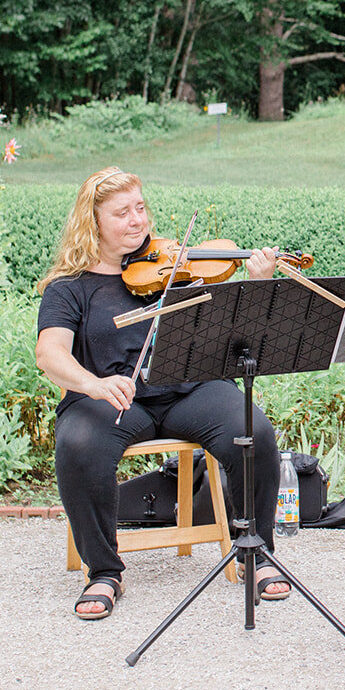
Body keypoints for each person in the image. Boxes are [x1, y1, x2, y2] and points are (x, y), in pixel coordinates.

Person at [36, 168, 287, 620]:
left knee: (253, 430)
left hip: (189, 389)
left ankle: (257, 552)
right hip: (113, 396)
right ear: (91, 223)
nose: (137, 221)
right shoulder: (69, 288)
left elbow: (240, 329)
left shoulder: (180, 270)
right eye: (121, 213)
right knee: (78, 444)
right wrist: (93, 383)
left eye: (140, 208)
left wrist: (260, 282)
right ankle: (105, 572)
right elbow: (49, 353)